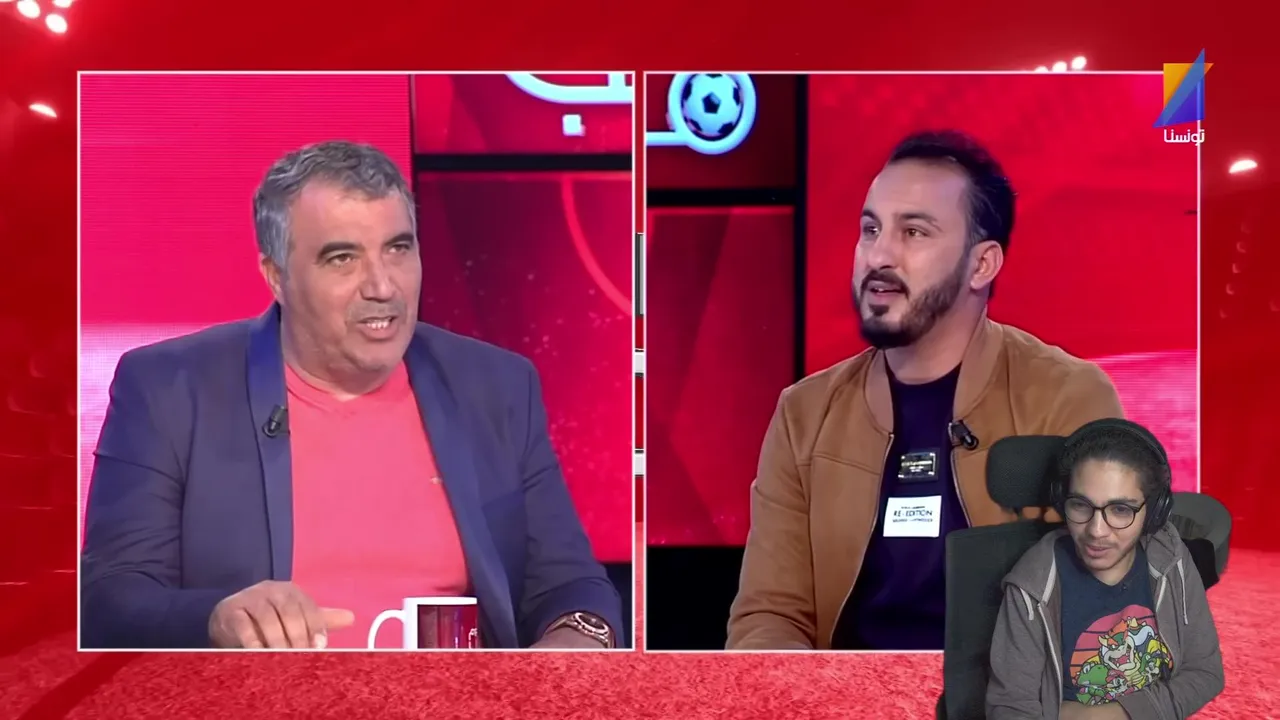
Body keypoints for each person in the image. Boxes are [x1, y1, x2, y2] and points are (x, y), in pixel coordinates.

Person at [80, 140, 623, 650]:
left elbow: (571, 586)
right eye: (342, 258)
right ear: (276, 277)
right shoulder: (169, 390)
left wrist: (575, 645)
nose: (382, 286)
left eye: (398, 249)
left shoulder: (495, 386)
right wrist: (216, 618)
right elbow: (109, 600)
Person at [726, 130, 1124, 650]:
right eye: (871, 229)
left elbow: (1101, 614)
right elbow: (769, 615)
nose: (879, 255)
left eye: (913, 232)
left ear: (982, 264)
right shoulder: (805, 413)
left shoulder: (1065, 399)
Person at [987, 419, 1224, 719]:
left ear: (1154, 511)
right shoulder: (1031, 586)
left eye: (1121, 509)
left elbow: (1206, 673)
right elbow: (1011, 708)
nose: (1096, 531)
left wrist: (1096, 715)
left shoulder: (1171, 558)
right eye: (1080, 505)